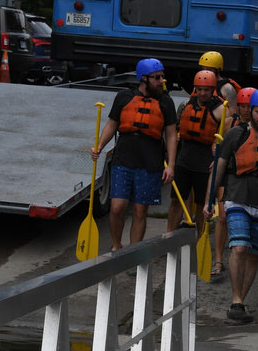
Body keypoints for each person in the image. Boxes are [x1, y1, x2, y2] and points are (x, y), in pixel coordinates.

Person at [205, 89, 258, 324]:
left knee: (253, 255)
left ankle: (239, 303)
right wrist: (208, 201)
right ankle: (236, 300)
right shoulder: (236, 134)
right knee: (240, 247)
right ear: (251, 111)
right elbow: (218, 169)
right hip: (236, 197)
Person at [91, 57, 177, 250]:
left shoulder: (166, 102)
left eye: (162, 77)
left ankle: (132, 252)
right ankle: (116, 246)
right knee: (117, 207)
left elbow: (171, 135)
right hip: (124, 157)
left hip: (150, 161)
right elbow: (112, 124)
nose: (161, 81)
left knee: (140, 211)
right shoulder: (124, 97)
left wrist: (170, 165)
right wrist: (99, 146)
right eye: (156, 77)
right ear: (144, 78)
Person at [167, 69, 225, 240]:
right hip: (184, 159)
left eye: (206, 90)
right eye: (199, 89)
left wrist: (218, 154)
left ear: (213, 89)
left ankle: (199, 239)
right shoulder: (186, 105)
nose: (202, 93)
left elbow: (227, 137)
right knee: (177, 199)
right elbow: (175, 130)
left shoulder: (221, 110)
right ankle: (169, 236)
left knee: (201, 204)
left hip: (205, 162)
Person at [211, 85, 254, 280]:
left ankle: (240, 252)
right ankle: (218, 259)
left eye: (249, 106)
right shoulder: (229, 122)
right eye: (243, 106)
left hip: (246, 177)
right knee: (222, 216)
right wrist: (216, 152)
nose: (246, 110)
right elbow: (215, 144)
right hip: (227, 174)